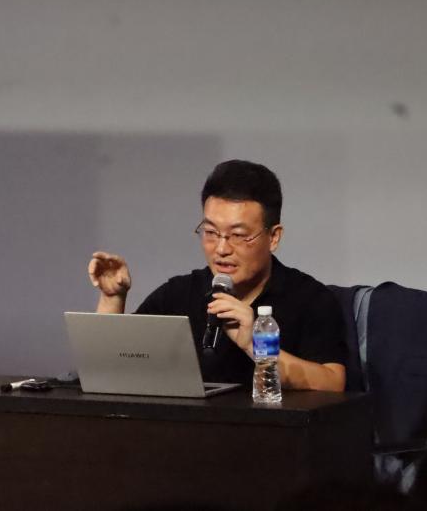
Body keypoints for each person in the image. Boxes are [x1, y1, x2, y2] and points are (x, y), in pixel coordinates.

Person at [88, 159, 347, 390]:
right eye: (211, 232)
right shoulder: (178, 294)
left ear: (274, 237)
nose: (221, 249)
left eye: (238, 235)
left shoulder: (310, 298)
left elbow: (333, 382)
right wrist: (112, 298)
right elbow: (109, 369)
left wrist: (255, 344)